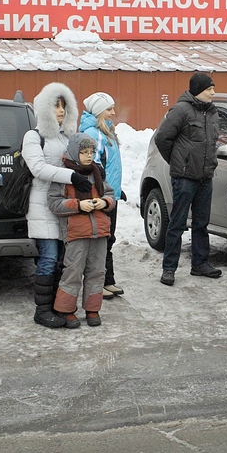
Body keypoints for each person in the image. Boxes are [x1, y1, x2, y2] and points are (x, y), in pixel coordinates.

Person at [24, 82, 89, 328]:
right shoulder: (34, 137)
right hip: (42, 206)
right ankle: (42, 310)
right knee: (49, 257)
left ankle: (60, 308)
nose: (61, 111)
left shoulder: (66, 137)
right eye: (56, 106)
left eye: (64, 106)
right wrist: (72, 176)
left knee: (64, 259)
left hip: (65, 205)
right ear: (44, 108)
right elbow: (38, 168)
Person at [153, 72, 223, 286]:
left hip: (205, 177)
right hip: (184, 177)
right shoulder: (181, 110)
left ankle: (200, 264)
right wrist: (178, 162)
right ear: (198, 90)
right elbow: (162, 138)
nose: (213, 92)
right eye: (209, 89)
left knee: (201, 223)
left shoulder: (212, 112)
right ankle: (169, 268)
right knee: (177, 223)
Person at [48, 132, 117, 328]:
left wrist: (104, 202)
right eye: (84, 152)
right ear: (74, 152)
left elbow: (110, 194)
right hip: (76, 233)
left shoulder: (96, 172)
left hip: (99, 231)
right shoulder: (63, 175)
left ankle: (92, 309)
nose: (89, 156)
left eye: (91, 152)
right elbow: (54, 203)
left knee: (97, 272)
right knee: (73, 272)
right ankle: (66, 310)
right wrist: (78, 205)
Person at [79, 92, 125, 300]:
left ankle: (108, 280)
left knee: (108, 238)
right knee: (101, 240)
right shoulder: (94, 134)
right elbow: (93, 167)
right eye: (109, 109)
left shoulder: (105, 131)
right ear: (98, 111)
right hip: (101, 196)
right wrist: (101, 192)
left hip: (110, 195)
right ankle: (98, 284)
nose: (113, 112)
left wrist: (116, 190)